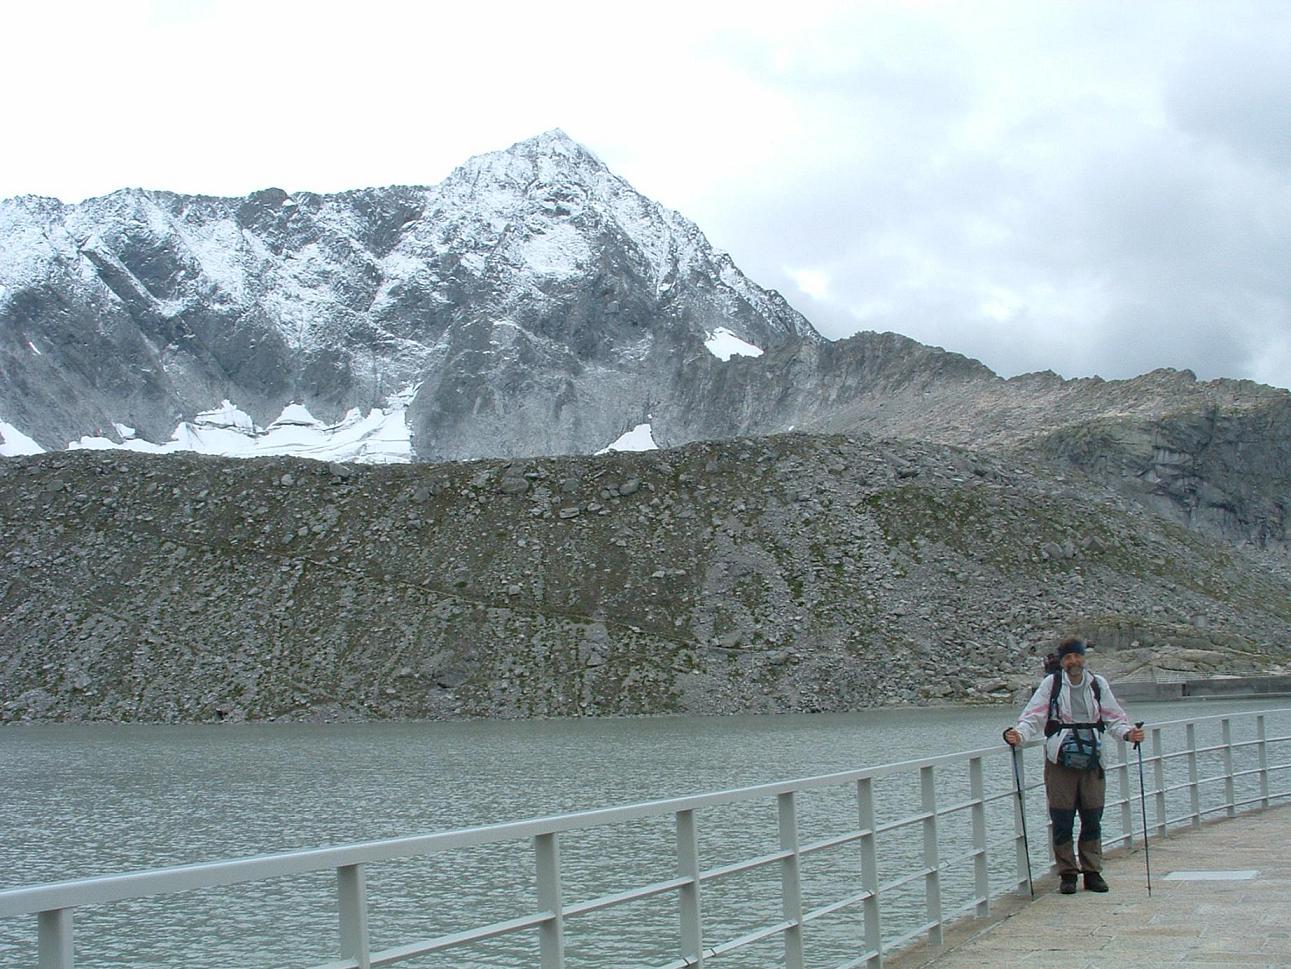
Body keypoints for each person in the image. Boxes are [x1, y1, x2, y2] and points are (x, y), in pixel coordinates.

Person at [1004, 637, 1145, 894]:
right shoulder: (1052, 684)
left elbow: (1114, 718)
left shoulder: (1098, 684)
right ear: (1062, 662)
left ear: (1083, 658)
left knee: (1093, 817)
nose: (1073, 662)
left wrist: (1128, 733)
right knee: (1062, 818)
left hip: (1092, 758)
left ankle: (1092, 872)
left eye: (1077, 656)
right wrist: (1018, 734)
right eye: (1068, 658)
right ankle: (1067, 874)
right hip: (1060, 760)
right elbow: (1034, 716)